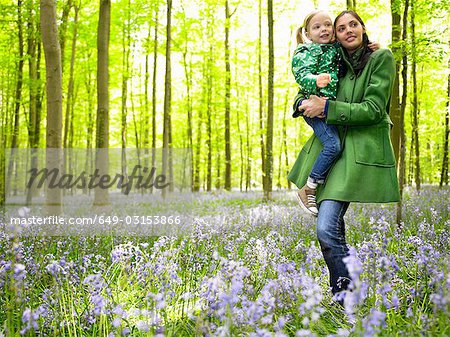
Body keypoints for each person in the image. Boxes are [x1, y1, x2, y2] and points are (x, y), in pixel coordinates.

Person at [288, 10, 400, 304]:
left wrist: (326, 108)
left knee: (326, 228)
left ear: (363, 28)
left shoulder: (380, 58)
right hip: (334, 150)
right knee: (327, 230)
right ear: (335, 36)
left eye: (354, 24)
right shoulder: (333, 59)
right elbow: (305, 86)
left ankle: (346, 299)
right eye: (341, 27)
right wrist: (302, 102)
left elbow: (375, 109)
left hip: (357, 152)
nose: (347, 30)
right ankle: (345, 299)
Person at [291, 10, 379, 216]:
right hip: (312, 105)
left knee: (335, 146)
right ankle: (309, 187)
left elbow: (355, 48)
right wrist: (315, 81)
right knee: (333, 145)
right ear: (307, 33)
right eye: (317, 27)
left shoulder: (335, 48)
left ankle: (319, 185)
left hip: (329, 108)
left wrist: (373, 46)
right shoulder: (305, 51)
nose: (323, 29)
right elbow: (301, 75)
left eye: (327, 25)